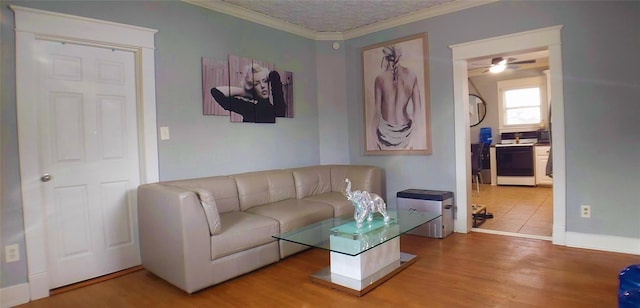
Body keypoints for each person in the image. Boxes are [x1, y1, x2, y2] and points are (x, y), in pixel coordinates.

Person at [372, 45, 423, 149]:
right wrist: (417, 134)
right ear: (400, 56)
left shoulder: (380, 78)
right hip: (406, 133)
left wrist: (373, 135)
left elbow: (377, 111)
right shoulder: (412, 75)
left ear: (385, 58)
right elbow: (417, 110)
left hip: (384, 133)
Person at [210, 63, 284, 123]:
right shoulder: (248, 108)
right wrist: (247, 92)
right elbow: (216, 91)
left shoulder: (278, 107)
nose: (262, 86)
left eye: (265, 81)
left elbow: (274, 75)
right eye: (256, 83)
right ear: (251, 87)